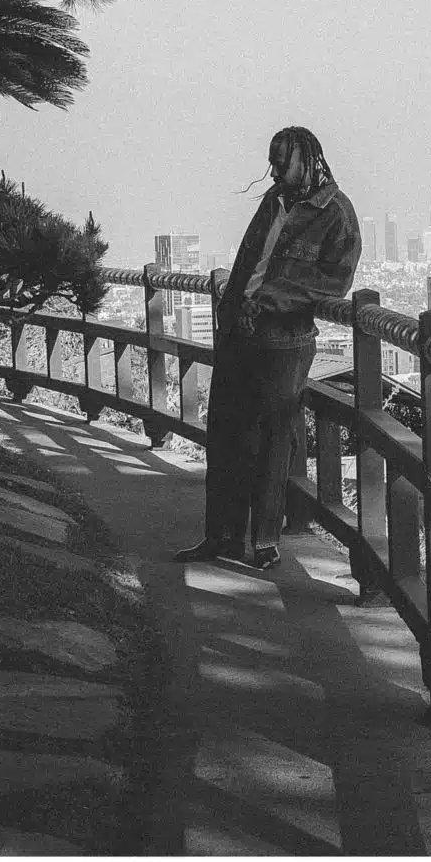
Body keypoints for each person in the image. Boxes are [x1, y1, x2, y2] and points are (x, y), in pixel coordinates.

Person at [174, 126, 361, 569]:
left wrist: (272, 301)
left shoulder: (336, 212)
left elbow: (335, 280)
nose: (274, 171)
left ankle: (263, 541)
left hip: (284, 342)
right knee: (225, 436)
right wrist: (232, 309)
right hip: (239, 333)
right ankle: (220, 536)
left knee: (272, 442)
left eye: (282, 162)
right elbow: (248, 262)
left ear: (307, 160)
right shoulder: (273, 200)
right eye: (272, 161)